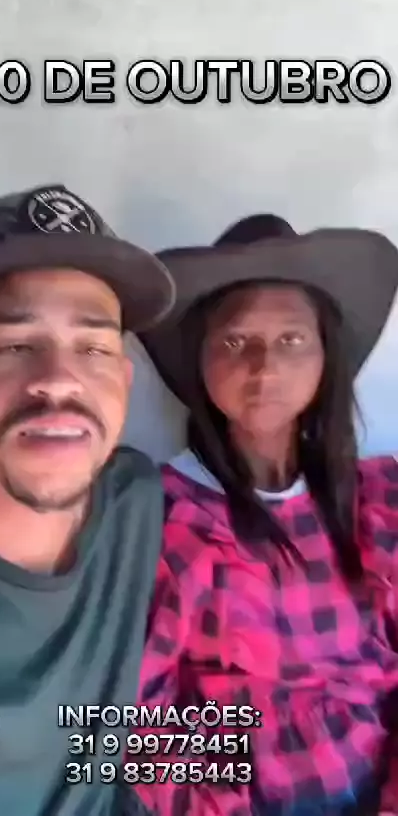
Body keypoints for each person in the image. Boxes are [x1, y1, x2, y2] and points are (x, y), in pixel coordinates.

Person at [0, 183, 176, 816]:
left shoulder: (136, 502)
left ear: (123, 383)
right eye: (14, 345)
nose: (60, 380)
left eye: (93, 348)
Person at [135, 214, 398, 816]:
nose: (264, 367)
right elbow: (141, 721)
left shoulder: (381, 498)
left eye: (292, 340)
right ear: (200, 358)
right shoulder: (157, 514)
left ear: (326, 355)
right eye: (235, 341)